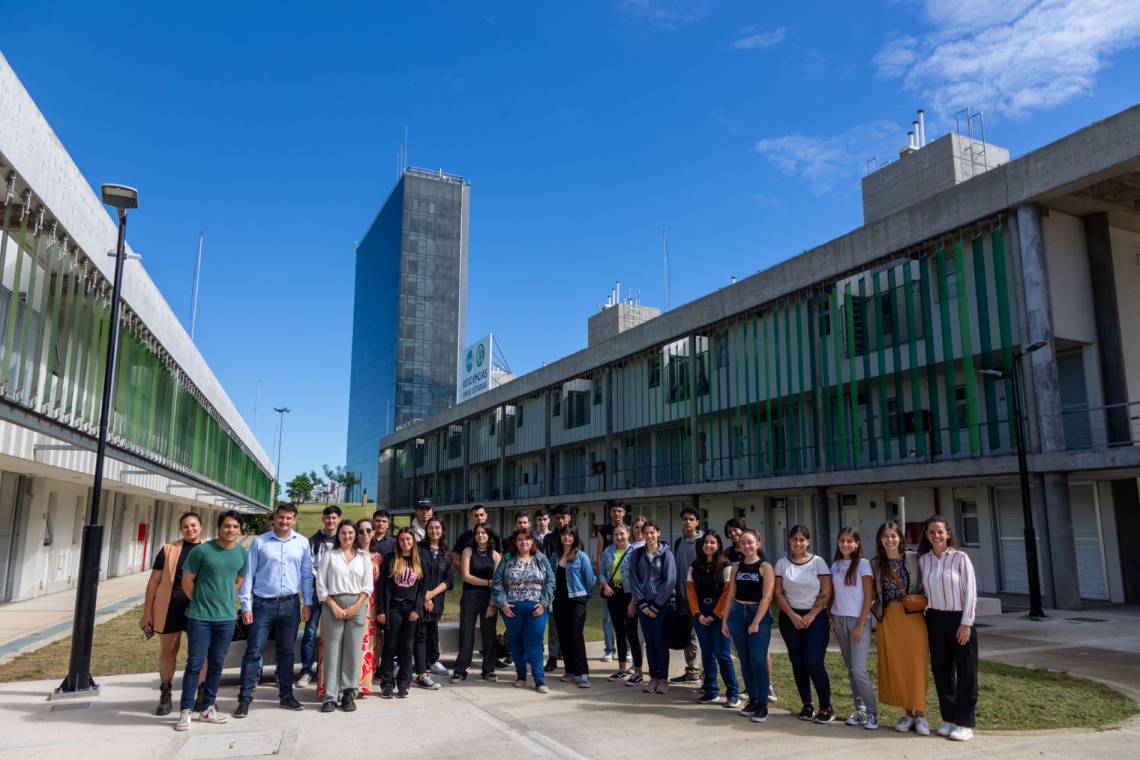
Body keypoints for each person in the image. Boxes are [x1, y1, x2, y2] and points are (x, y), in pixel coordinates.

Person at [236, 503, 312, 718]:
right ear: (274, 518)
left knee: (287, 652)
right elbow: (249, 575)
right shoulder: (260, 542)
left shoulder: (302, 543)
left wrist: (307, 603)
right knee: (253, 651)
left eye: (289, 518)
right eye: (281, 518)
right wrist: (246, 605)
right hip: (263, 605)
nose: (284, 522)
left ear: (294, 520)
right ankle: (245, 698)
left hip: (290, 605)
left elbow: (306, 576)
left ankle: (286, 695)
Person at [174, 511, 248, 732]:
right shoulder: (202, 551)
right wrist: (201, 600)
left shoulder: (242, 553)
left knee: (216, 665)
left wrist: (224, 598)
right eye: (227, 526)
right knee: (195, 664)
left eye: (235, 526)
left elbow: (239, 580)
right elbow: (187, 582)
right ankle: (186, 711)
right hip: (200, 618)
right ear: (218, 528)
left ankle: (207, 708)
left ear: (239, 530)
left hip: (225, 619)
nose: (231, 530)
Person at [920, 515, 979, 742]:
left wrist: (967, 623)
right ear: (926, 535)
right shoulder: (924, 560)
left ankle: (965, 722)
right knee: (942, 670)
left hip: (959, 619)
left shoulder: (960, 558)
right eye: (931, 531)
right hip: (934, 619)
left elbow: (971, 592)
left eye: (940, 531)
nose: (936, 535)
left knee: (966, 671)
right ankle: (949, 718)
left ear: (948, 534)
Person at [140, 512, 204, 716]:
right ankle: (166, 692)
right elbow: (153, 583)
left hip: (199, 607)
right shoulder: (169, 550)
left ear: (200, 527)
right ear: (181, 529)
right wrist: (147, 613)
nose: (190, 529)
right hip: (170, 605)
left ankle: (202, 695)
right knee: (169, 650)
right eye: (186, 526)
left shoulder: (209, 549)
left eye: (194, 525)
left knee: (201, 653)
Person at [871, 520, 930, 736]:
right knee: (898, 666)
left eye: (893, 536)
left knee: (916, 665)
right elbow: (872, 593)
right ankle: (908, 713)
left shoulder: (915, 559)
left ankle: (921, 714)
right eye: (885, 536)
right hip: (888, 618)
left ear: (900, 538)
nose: (890, 540)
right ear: (880, 539)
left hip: (913, 618)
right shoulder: (876, 563)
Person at [774, 524, 834, 723]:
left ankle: (826, 707)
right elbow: (778, 593)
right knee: (797, 662)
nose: (798, 543)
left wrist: (811, 615)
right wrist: (792, 615)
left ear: (808, 541)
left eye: (802, 539)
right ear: (789, 541)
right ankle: (807, 704)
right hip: (790, 618)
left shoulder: (818, 562)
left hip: (815, 618)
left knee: (813, 662)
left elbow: (826, 592)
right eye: (794, 539)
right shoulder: (782, 564)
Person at [315, 520, 372, 712]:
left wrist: (356, 607)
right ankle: (330, 696)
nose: (347, 536)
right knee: (332, 651)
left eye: (350, 533)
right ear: (338, 535)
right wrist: (333, 605)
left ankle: (348, 693)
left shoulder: (364, 557)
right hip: (333, 606)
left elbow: (367, 587)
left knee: (353, 652)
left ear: (355, 534)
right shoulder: (330, 556)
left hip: (357, 606)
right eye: (343, 533)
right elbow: (321, 585)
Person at [492, 528, 555, 693]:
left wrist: (544, 603)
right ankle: (520, 676)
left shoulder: (541, 558)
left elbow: (550, 581)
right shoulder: (507, 559)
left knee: (534, 643)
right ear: (515, 542)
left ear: (532, 541)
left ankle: (539, 680)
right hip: (512, 610)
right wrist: (503, 603)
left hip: (537, 609)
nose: (523, 542)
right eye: (520, 539)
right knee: (517, 642)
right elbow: (497, 582)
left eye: (527, 539)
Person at [722, 528, 775, 722]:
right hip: (737, 615)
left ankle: (763, 703)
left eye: (750, 542)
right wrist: (725, 620)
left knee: (758, 660)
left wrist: (756, 622)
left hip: (757, 615)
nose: (747, 546)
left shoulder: (765, 567)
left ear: (758, 544)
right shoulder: (736, 567)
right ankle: (752, 699)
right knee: (744, 660)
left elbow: (767, 597)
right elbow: (731, 595)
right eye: (743, 543)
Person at [830, 528, 878, 729]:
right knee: (851, 670)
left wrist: (860, 624)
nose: (845, 544)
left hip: (859, 621)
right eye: (842, 540)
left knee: (859, 669)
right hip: (839, 619)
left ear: (857, 544)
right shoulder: (835, 565)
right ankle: (860, 710)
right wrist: (830, 618)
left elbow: (869, 597)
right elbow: (832, 594)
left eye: (850, 541)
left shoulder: (864, 565)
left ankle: (873, 713)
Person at [687, 530, 740, 706]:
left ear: (718, 545)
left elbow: (727, 592)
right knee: (707, 653)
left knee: (722, 654)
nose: (709, 545)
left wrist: (715, 614)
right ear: (701, 545)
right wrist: (698, 614)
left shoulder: (725, 565)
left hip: (720, 614)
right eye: (706, 542)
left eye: (712, 542)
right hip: (700, 613)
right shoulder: (694, 566)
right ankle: (711, 691)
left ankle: (733, 693)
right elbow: (690, 591)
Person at [625, 520, 676, 694]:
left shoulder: (666, 554)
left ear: (658, 533)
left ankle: (663, 679)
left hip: (660, 606)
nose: (649, 536)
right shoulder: (637, 554)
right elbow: (633, 579)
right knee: (649, 642)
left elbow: (670, 581)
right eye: (646, 533)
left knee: (660, 642)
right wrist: (642, 602)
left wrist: (656, 604)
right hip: (643, 606)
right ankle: (653, 677)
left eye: (652, 532)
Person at [378, 528, 426, 698]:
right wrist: (382, 611)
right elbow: (382, 587)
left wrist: (417, 609)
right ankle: (387, 683)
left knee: (407, 647)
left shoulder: (419, 560)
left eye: (408, 539)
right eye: (402, 540)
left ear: (413, 541)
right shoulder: (390, 560)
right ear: (397, 542)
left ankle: (404, 684)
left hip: (411, 610)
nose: (405, 542)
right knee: (390, 646)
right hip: (394, 608)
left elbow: (422, 589)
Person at [452, 522, 501, 682]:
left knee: (489, 633)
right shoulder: (468, 551)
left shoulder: (495, 555)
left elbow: (497, 582)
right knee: (466, 632)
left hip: (489, 599)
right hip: (469, 596)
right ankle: (460, 670)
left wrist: (493, 604)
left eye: (484, 533)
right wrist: (487, 582)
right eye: (478, 533)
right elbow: (466, 576)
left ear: (489, 535)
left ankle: (488, 670)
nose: (481, 535)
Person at [299, 505, 341, 687]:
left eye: (334, 518)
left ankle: (329, 670)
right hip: (317, 594)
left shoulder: (344, 539)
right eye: (328, 518)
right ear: (323, 519)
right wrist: (321, 585)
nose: (331, 521)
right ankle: (306, 671)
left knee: (335, 634)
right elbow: (309, 568)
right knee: (309, 632)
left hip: (338, 594)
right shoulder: (313, 541)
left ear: (339, 519)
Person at [599, 523, 643, 685]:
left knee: (632, 632)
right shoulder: (608, 551)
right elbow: (602, 572)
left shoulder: (635, 552)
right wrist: (605, 585)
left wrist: (633, 600)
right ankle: (621, 668)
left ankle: (638, 671)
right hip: (612, 593)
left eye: (622, 534)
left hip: (629, 595)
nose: (619, 537)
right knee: (619, 631)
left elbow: (639, 577)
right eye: (616, 534)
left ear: (628, 534)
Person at [554, 525, 596, 688]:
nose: (567, 538)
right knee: (563, 636)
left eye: (570, 535)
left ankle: (583, 673)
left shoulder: (581, 556)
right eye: (564, 535)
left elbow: (590, 579)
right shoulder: (554, 557)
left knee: (575, 635)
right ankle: (570, 670)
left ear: (575, 538)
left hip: (577, 601)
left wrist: (585, 597)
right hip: (559, 602)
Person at [414, 517, 452, 689]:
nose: (434, 531)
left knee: (433, 631)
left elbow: (448, 580)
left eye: (437, 528)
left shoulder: (445, 551)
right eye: (431, 528)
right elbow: (416, 573)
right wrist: (424, 596)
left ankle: (434, 660)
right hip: (419, 597)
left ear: (442, 530)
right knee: (420, 634)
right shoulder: (419, 548)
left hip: (436, 599)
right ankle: (421, 671)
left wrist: (431, 595)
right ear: (426, 530)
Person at [671, 506, 704, 684]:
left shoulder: (703, 542)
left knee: (704, 637)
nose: (688, 522)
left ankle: (708, 675)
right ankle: (692, 672)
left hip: (700, 599)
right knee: (688, 636)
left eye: (691, 519)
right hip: (683, 598)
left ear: (697, 522)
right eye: (685, 519)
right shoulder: (679, 542)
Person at [594, 502, 627, 663]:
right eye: (614, 511)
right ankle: (609, 649)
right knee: (607, 618)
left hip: (625, 583)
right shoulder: (603, 531)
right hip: (608, 580)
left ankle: (627, 649)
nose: (616, 513)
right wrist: (601, 581)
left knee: (627, 617)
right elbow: (599, 556)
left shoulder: (628, 529)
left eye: (619, 511)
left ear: (624, 513)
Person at [541, 504, 573, 671]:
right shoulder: (549, 538)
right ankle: (552, 657)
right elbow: (544, 562)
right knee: (553, 623)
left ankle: (568, 655)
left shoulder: (574, 536)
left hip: (571, 587)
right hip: (554, 587)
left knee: (571, 624)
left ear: (569, 518)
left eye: (563, 517)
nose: (561, 521)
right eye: (558, 518)